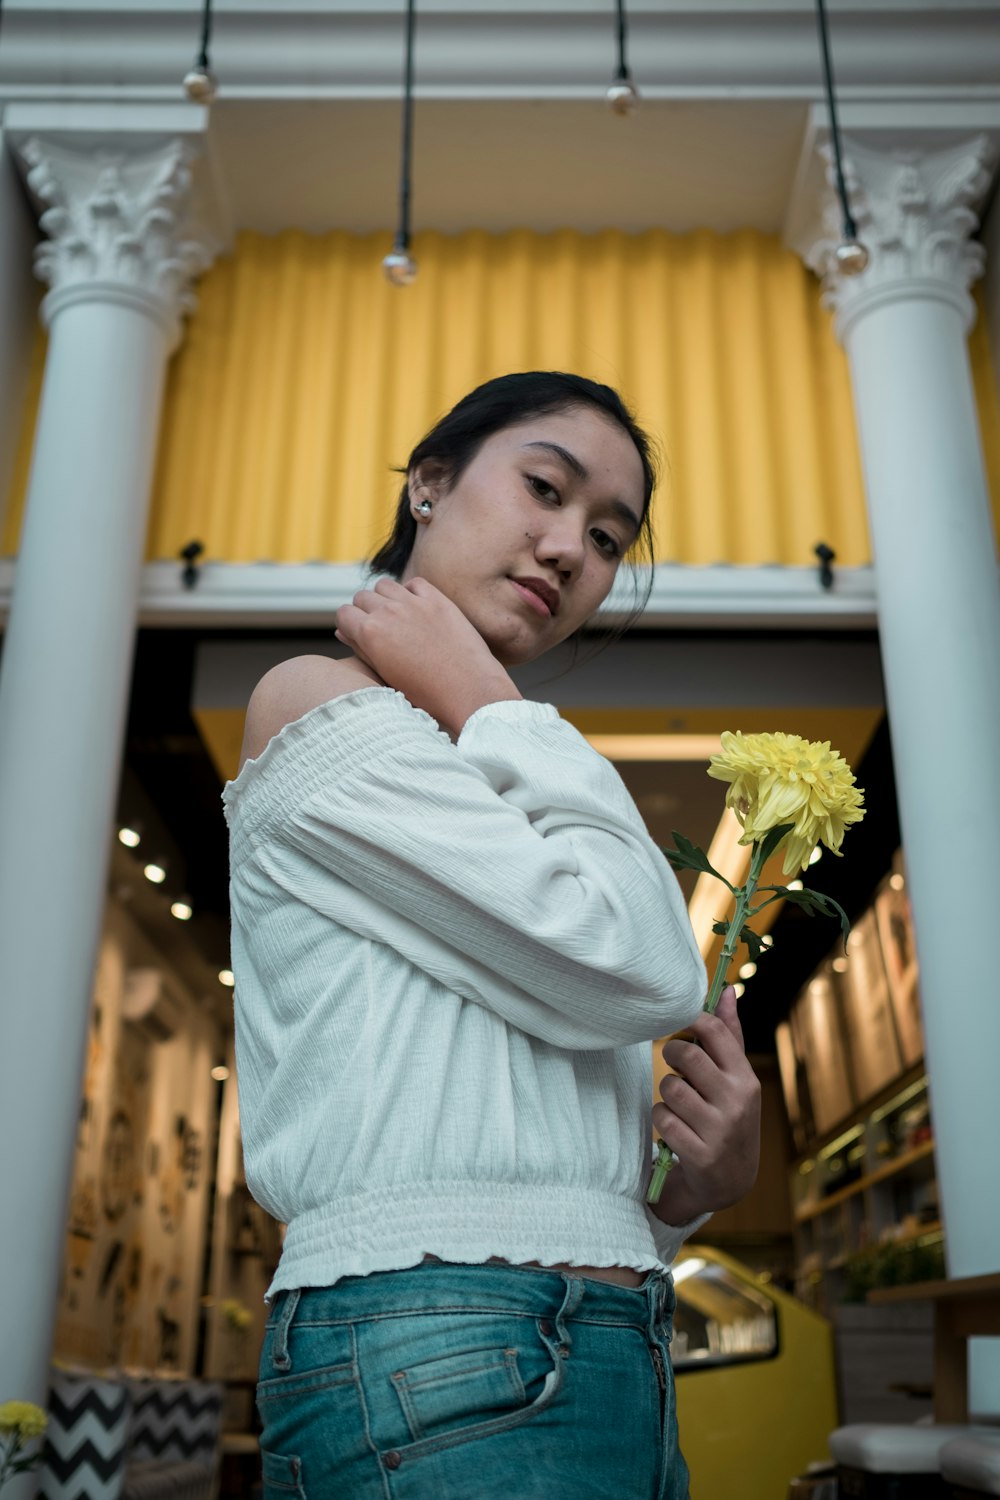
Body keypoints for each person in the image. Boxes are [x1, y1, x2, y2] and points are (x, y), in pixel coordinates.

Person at [224, 372, 761, 1499]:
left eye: (610, 536)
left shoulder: (502, 762)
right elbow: (641, 967)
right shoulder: (316, 703)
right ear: (429, 483)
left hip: (608, 1343)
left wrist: (680, 1197)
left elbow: (555, 1096)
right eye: (545, 488)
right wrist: (488, 695)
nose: (571, 548)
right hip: (438, 1343)